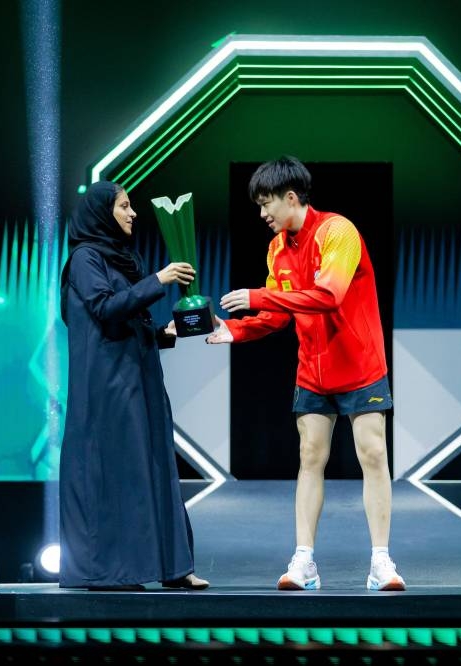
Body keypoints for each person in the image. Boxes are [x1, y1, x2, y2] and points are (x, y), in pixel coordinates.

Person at [207, 156, 405, 592]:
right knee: (310, 458)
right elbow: (279, 315)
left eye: (266, 203)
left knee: (373, 455)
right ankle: (304, 562)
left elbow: (328, 295)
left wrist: (258, 296)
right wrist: (235, 330)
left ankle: (381, 562)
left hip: (360, 366)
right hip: (313, 372)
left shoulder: (338, 232)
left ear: (291, 197)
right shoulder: (277, 249)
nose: (262, 213)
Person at [59, 180, 209, 591]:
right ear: (101, 213)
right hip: (109, 386)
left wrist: (164, 332)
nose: (133, 213)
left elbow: (127, 321)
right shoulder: (85, 258)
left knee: (156, 465)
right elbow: (105, 308)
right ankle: (120, 570)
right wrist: (159, 279)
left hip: (139, 378)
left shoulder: (122, 258)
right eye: (124, 206)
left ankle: (173, 566)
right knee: (122, 472)